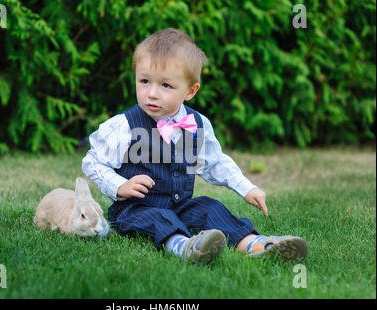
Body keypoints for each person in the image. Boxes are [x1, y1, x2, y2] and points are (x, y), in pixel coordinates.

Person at [82, 28, 307, 264]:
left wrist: (247, 188)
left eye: (166, 85)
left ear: (190, 91)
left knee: (210, 208)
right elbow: (93, 162)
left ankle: (256, 244)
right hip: (134, 210)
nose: (152, 93)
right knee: (158, 218)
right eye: (144, 81)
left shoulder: (197, 125)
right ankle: (185, 246)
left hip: (180, 206)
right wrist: (120, 185)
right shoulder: (124, 125)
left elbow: (216, 162)